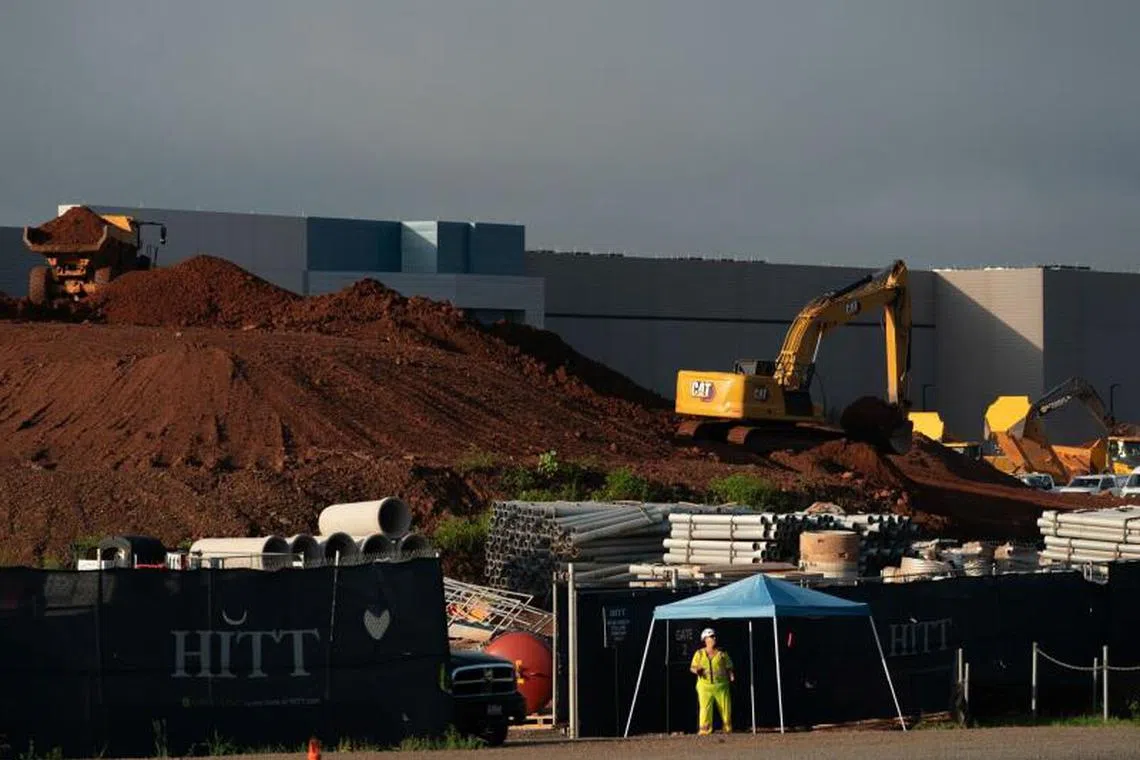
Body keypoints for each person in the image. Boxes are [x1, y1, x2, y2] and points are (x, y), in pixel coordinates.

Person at [690, 627, 734, 735]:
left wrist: (731, 675)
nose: (714, 638)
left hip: (721, 686)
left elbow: (729, 666)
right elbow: (692, 667)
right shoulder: (699, 653)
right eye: (711, 636)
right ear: (705, 639)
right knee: (705, 709)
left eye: (714, 636)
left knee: (725, 709)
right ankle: (705, 730)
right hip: (704, 687)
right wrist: (697, 671)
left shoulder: (722, 653)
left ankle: (727, 729)